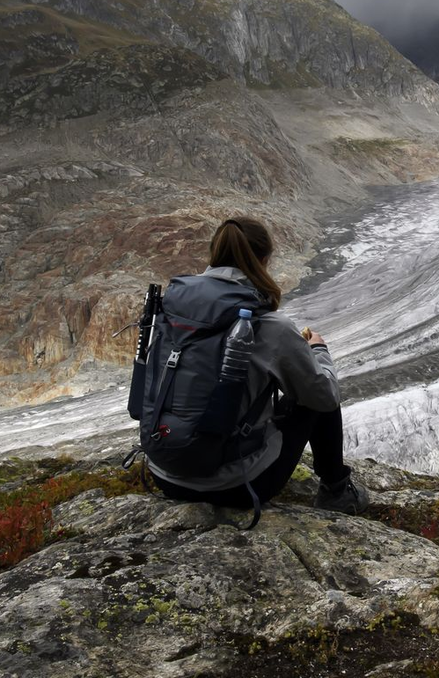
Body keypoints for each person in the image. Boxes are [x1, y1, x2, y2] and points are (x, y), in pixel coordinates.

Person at [146, 215, 369, 515]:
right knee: (317, 389)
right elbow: (323, 395)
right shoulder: (268, 325)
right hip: (234, 486)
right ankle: (336, 491)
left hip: (164, 474)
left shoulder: (171, 307)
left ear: (213, 255)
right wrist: (318, 351)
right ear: (263, 260)